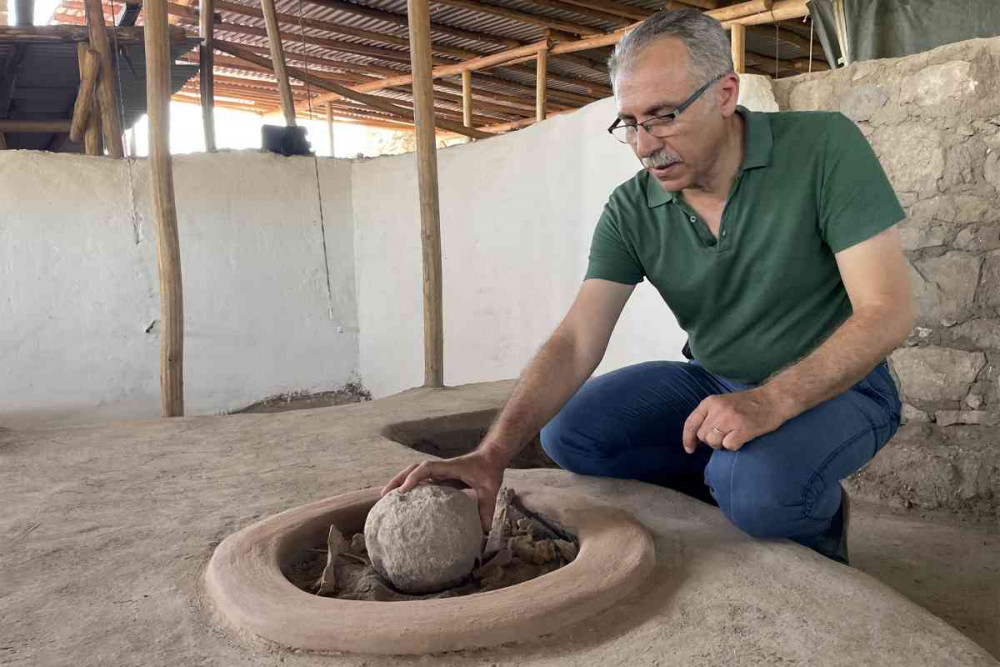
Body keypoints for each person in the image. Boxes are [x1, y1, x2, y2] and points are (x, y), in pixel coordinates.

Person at [382, 9, 914, 564]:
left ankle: (808, 510)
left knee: (757, 493)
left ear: (725, 94)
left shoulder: (824, 147)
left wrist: (771, 402)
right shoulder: (632, 209)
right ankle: (733, 475)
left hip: (844, 387)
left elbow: (888, 310)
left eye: (663, 116)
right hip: (714, 378)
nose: (643, 144)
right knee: (571, 435)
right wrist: (491, 454)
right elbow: (577, 339)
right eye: (630, 122)